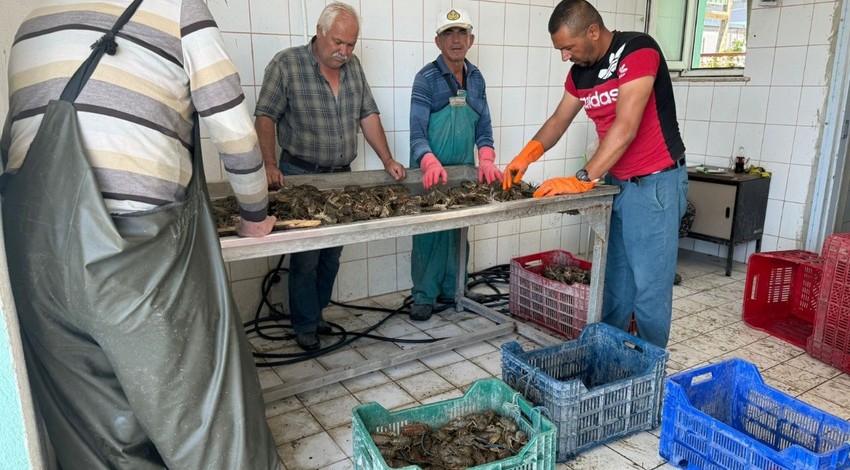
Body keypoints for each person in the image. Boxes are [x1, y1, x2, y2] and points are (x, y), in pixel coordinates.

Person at [1, 1, 280, 468]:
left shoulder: (33, 19)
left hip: (34, 257)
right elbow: (233, 131)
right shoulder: (177, 9)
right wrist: (254, 214)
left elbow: (16, 135)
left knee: (98, 441)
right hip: (134, 256)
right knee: (204, 422)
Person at [502, 0, 687, 348]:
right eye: (560, 50)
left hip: (655, 185)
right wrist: (526, 155)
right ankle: (610, 359)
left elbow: (626, 126)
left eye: (568, 47)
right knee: (615, 285)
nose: (564, 56)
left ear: (592, 31)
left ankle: (648, 370)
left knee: (649, 289)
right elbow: (559, 121)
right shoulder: (580, 73)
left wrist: (582, 179)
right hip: (616, 185)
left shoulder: (638, 50)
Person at [255, 2, 406, 350]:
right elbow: (265, 116)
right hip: (300, 175)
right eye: (339, 42)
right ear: (319, 31)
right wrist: (268, 164)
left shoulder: (353, 69)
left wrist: (387, 158)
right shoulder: (287, 64)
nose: (344, 51)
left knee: (331, 255)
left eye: (351, 44)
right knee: (305, 256)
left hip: (341, 178)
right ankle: (304, 323)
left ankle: (317, 313)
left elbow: (368, 115)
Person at [407, 8, 502, 321]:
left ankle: (454, 288)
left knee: (458, 233)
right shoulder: (426, 79)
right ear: (438, 41)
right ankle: (423, 296)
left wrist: (486, 156)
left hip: (462, 170)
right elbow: (417, 131)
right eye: (448, 33)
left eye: (462, 33)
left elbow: (484, 127)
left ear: (471, 40)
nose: (456, 39)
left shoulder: (476, 79)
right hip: (429, 171)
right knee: (428, 234)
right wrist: (428, 160)